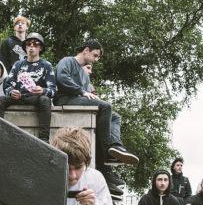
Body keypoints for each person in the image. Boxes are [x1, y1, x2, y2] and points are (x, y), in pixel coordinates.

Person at [54, 39, 140, 184]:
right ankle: (107, 150)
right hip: (65, 99)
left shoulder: (84, 75)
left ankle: (115, 146)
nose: (96, 60)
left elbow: (89, 95)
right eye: (95, 55)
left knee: (115, 116)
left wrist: (89, 95)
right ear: (86, 50)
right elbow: (62, 78)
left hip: (79, 100)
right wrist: (81, 91)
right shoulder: (68, 61)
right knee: (105, 106)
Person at [0, 32, 56, 146]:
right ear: (25, 47)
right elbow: (8, 84)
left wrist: (43, 91)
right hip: (19, 97)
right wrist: (11, 92)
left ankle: (44, 139)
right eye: (29, 43)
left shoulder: (47, 65)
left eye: (35, 44)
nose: (31, 46)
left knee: (45, 100)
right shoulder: (18, 64)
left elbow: (53, 90)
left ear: (40, 48)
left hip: (36, 98)